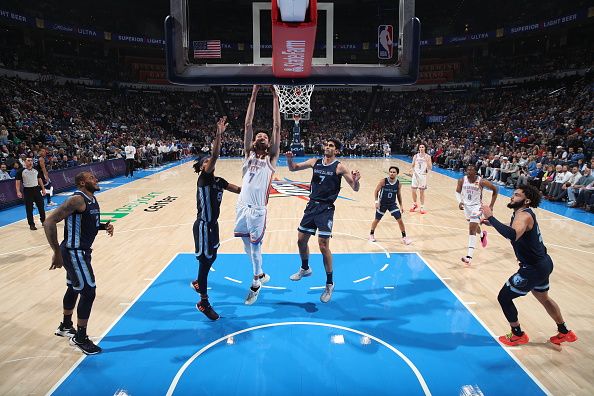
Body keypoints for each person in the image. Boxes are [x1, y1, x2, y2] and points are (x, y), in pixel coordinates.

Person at [481, 185, 578, 347]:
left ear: (526, 200)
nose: (512, 197)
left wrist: (491, 217)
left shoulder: (524, 216)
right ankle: (564, 331)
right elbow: (514, 227)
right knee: (544, 298)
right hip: (544, 263)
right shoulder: (521, 214)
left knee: (504, 297)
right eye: (513, 194)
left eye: (517, 195)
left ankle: (518, 334)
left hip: (532, 268)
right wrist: (493, 223)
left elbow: (512, 234)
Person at [43, 171, 114, 355]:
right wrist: (56, 252)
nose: (96, 179)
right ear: (82, 183)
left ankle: (66, 326)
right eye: (91, 178)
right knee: (89, 291)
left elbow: (87, 223)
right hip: (74, 252)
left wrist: (103, 226)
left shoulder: (91, 198)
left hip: (79, 251)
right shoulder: (77, 199)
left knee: (74, 288)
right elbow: (49, 221)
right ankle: (80, 338)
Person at [285, 139, 361, 303]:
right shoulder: (315, 162)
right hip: (311, 206)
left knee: (323, 246)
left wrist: (356, 180)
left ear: (337, 150)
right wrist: (290, 159)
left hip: (326, 209)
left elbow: (355, 188)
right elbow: (293, 169)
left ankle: (329, 283)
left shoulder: (340, 167)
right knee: (300, 240)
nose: (327, 147)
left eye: (331, 146)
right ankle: (305, 268)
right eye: (326, 144)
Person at [190, 117, 241, 320]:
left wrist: (260, 189)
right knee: (205, 261)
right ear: (203, 167)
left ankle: (198, 281)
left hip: (213, 225)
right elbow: (216, 154)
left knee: (213, 256)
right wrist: (219, 134)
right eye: (206, 162)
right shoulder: (203, 178)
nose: (208, 163)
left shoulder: (219, 181)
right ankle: (203, 301)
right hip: (202, 225)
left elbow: (238, 190)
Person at [234, 85, 281, 305]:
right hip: (241, 206)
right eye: (258, 135)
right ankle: (261, 272)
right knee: (246, 245)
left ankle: (255, 283)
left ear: (269, 143)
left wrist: (274, 96)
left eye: (265, 135)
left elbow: (277, 126)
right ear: (254, 141)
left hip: (257, 210)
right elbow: (247, 124)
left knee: (255, 247)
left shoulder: (271, 159)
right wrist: (253, 93)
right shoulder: (248, 154)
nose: (261, 135)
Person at [456, 164, 498, 265]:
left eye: (471, 170)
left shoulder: (481, 181)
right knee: (473, 226)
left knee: (471, 229)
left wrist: (491, 205)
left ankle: (469, 257)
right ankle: (483, 234)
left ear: (475, 172)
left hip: (477, 206)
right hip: (466, 207)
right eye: (467, 170)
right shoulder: (462, 180)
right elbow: (458, 192)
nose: (468, 172)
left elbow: (495, 190)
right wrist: (459, 201)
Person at [369, 166, 412, 245]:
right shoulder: (383, 181)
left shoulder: (398, 183)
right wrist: (376, 202)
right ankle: (371, 234)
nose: (392, 173)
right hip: (382, 204)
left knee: (400, 219)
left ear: (397, 174)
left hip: (392, 204)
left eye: (393, 172)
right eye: (390, 172)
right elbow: (376, 191)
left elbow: (398, 195)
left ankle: (404, 237)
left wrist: (401, 205)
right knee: (377, 220)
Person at [15, 157, 46, 230]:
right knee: (29, 209)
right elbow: (17, 182)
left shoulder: (36, 170)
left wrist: (43, 189)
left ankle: (44, 221)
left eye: (31, 160)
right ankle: (31, 224)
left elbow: (39, 179)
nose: (30, 162)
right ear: (25, 162)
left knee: (41, 206)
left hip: (36, 190)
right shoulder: (21, 171)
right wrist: (18, 191)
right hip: (27, 191)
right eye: (28, 161)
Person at [410, 143, 432, 214]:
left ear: (425, 148)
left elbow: (430, 167)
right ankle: (414, 204)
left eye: (423, 147)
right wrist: (411, 169)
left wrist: (427, 161)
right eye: (420, 147)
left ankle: (422, 207)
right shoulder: (415, 156)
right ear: (418, 148)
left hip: (422, 176)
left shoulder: (428, 156)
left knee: (421, 192)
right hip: (415, 175)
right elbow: (412, 165)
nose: (421, 148)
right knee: (413, 191)